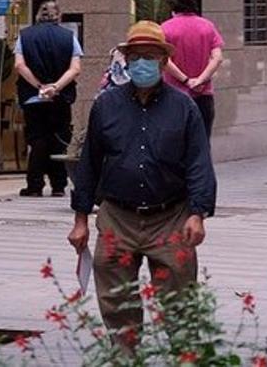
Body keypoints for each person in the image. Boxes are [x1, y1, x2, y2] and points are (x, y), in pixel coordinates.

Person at [67, 21, 216, 334]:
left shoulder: (184, 107)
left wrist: (198, 213)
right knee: (117, 307)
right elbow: (90, 163)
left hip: (171, 217)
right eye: (135, 57)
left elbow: (199, 163)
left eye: (149, 56)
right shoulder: (106, 105)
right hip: (117, 218)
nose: (141, 63)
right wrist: (80, 220)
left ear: (163, 61)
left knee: (179, 309)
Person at [14, 0, 82, 198]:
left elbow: (20, 65)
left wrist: (39, 86)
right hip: (60, 97)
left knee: (37, 139)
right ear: (58, 17)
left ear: (37, 16)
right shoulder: (69, 37)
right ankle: (59, 185)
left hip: (33, 96)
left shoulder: (25, 36)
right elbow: (75, 68)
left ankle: (34, 185)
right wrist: (56, 87)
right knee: (59, 139)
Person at [161, 0, 225, 139]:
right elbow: (218, 58)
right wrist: (200, 80)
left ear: (173, 7)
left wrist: (186, 80)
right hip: (203, 94)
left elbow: (163, 60)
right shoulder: (208, 26)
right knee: (201, 142)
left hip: (173, 93)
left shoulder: (165, 28)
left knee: (174, 143)